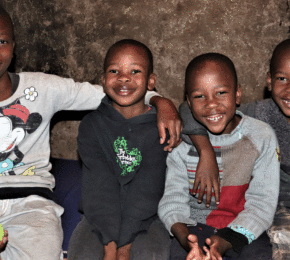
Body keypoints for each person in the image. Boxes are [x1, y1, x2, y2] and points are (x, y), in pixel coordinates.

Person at [0, 6, 181, 260]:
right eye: (115, 70)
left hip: (29, 200)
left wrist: (161, 101)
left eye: (2, 40)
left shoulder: (41, 88)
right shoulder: (93, 129)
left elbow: (113, 91)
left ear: (14, 45)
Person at [158, 53, 280, 260]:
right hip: (192, 231)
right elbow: (173, 201)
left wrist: (226, 241)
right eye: (199, 96)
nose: (211, 104)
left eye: (221, 93)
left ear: (238, 94)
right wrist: (189, 242)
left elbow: (261, 204)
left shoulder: (260, 136)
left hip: (242, 230)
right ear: (187, 102)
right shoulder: (181, 143)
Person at [67, 39, 171, 260]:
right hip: (99, 217)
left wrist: (124, 249)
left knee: (150, 254)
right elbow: (99, 188)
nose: (124, 77)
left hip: (149, 217)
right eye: (115, 71)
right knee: (81, 254)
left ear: (151, 81)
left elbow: (147, 191)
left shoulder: (160, 128)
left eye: (135, 71)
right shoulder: (91, 125)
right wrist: (110, 246)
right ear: (103, 81)